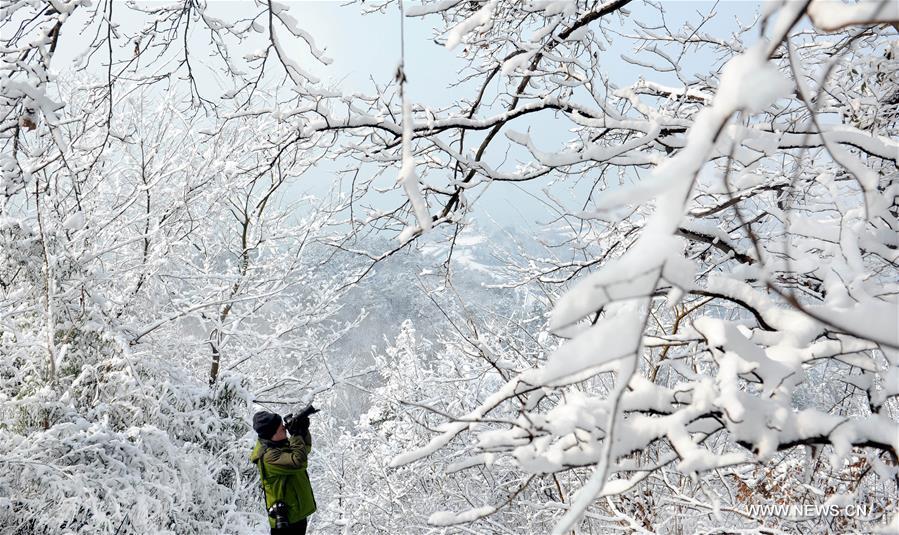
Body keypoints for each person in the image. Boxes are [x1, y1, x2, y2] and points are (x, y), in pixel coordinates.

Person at [250, 410, 316, 535]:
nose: (285, 428)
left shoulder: (277, 444)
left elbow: (304, 449)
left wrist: (303, 431)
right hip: (286, 520)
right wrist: (296, 435)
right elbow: (299, 461)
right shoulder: (269, 456)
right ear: (272, 434)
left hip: (296, 514)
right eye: (281, 429)